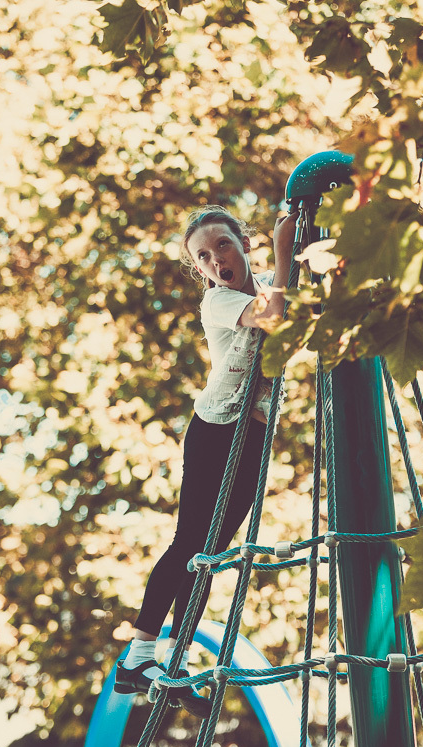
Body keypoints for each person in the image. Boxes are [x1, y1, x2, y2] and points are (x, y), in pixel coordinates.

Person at [113, 205, 297, 715]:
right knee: (190, 542)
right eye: (203, 256)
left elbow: (294, 302)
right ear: (199, 271)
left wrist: (296, 250)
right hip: (216, 429)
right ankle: (140, 652)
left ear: (242, 242)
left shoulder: (265, 282)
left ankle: (173, 660)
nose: (216, 260)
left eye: (222, 245)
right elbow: (274, 316)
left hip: (255, 434)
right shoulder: (219, 302)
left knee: (213, 553)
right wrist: (284, 252)